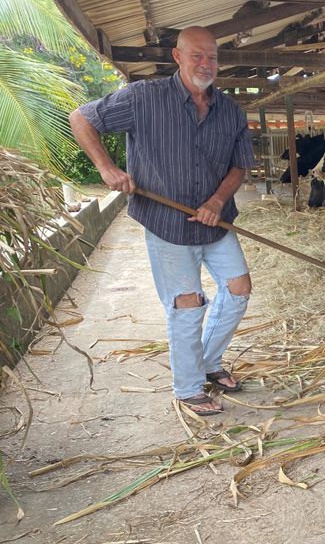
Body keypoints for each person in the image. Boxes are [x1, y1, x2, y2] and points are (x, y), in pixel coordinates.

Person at [69, 26, 256, 416]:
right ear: (178, 56)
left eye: (213, 57)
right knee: (188, 303)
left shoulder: (231, 110)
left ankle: (206, 360)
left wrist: (218, 200)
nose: (206, 64)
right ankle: (188, 388)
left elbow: (240, 165)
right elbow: (82, 117)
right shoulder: (144, 98)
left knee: (238, 289)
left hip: (215, 221)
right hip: (167, 222)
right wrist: (106, 168)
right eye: (197, 56)